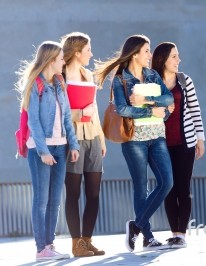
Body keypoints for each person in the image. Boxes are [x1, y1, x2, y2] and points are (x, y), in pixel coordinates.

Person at [94, 34, 174, 251]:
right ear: (136, 53)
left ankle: (136, 226)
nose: (150, 55)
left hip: (157, 136)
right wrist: (150, 110)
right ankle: (148, 237)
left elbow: (168, 99)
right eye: (147, 51)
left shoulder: (153, 75)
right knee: (141, 187)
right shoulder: (121, 79)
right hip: (133, 139)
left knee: (166, 182)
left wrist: (148, 100)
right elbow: (122, 109)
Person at [15, 41, 80, 261]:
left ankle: (49, 245)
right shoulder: (36, 85)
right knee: (41, 199)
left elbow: (67, 118)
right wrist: (43, 150)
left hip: (61, 148)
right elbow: (33, 120)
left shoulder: (61, 83)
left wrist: (73, 144)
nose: (64, 61)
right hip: (40, 149)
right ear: (51, 60)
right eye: (61, 58)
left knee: (54, 200)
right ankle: (41, 248)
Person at [151, 42, 205, 248]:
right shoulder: (152, 82)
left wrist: (200, 138)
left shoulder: (184, 80)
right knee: (168, 188)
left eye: (178, 56)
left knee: (183, 188)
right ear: (163, 59)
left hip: (186, 143)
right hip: (160, 144)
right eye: (174, 56)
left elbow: (195, 110)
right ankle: (173, 232)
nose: (178, 60)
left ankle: (181, 234)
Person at [61, 32, 106, 257]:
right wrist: (79, 113)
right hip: (72, 140)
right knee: (73, 194)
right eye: (88, 49)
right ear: (77, 52)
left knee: (94, 193)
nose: (91, 53)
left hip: (92, 138)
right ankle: (75, 243)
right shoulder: (59, 76)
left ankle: (87, 241)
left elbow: (94, 109)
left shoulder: (87, 74)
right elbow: (56, 113)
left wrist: (101, 137)